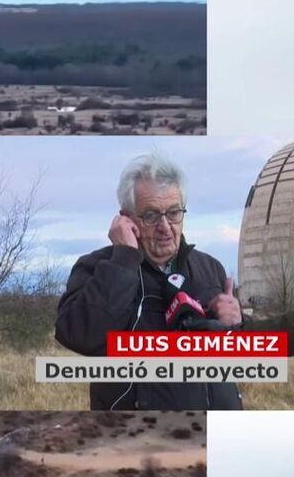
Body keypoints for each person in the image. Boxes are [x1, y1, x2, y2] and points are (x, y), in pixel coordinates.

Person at [56, 152, 243, 410]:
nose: (165, 226)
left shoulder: (209, 268)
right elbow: (80, 336)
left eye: (174, 213)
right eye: (152, 215)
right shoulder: (98, 267)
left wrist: (235, 325)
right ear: (127, 218)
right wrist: (124, 260)